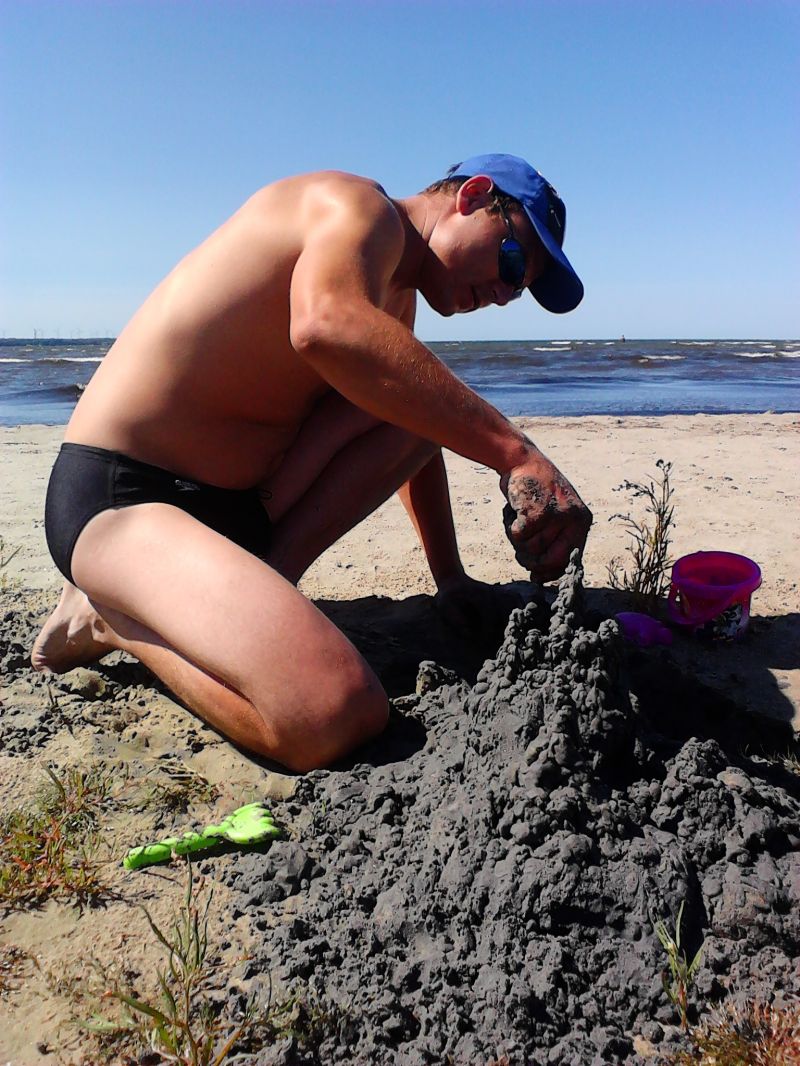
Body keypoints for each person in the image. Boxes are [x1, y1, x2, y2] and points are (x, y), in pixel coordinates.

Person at [32, 153, 592, 772]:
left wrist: (450, 578)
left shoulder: (395, 301)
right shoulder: (356, 208)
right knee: (333, 712)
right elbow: (324, 325)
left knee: (416, 400)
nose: (505, 294)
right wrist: (514, 453)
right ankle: (109, 621)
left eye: (520, 289)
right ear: (473, 196)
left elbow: (415, 430)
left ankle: (257, 593)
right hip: (124, 497)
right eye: (512, 261)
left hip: (236, 512)